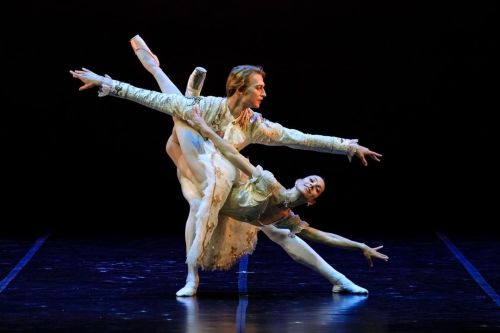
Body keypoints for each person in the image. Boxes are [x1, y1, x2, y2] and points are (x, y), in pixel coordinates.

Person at [70, 46, 383, 296]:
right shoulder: (207, 108)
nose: (264, 93)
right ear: (239, 88)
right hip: (196, 168)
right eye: (259, 87)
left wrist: (345, 146)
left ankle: (338, 278)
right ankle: (192, 277)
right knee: (186, 128)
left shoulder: (254, 124)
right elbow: (151, 99)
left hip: (233, 178)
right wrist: (108, 84)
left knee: (279, 230)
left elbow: (298, 138)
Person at [187, 104, 389, 284]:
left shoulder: (285, 217)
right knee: (179, 145)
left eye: (317, 188)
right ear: (298, 180)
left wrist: (359, 246)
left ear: (311, 202)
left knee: (284, 236)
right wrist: (204, 127)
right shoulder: (269, 184)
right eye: (311, 180)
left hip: (235, 212)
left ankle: (340, 280)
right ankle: (191, 277)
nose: (312, 185)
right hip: (212, 175)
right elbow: (232, 154)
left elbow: (324, 237)